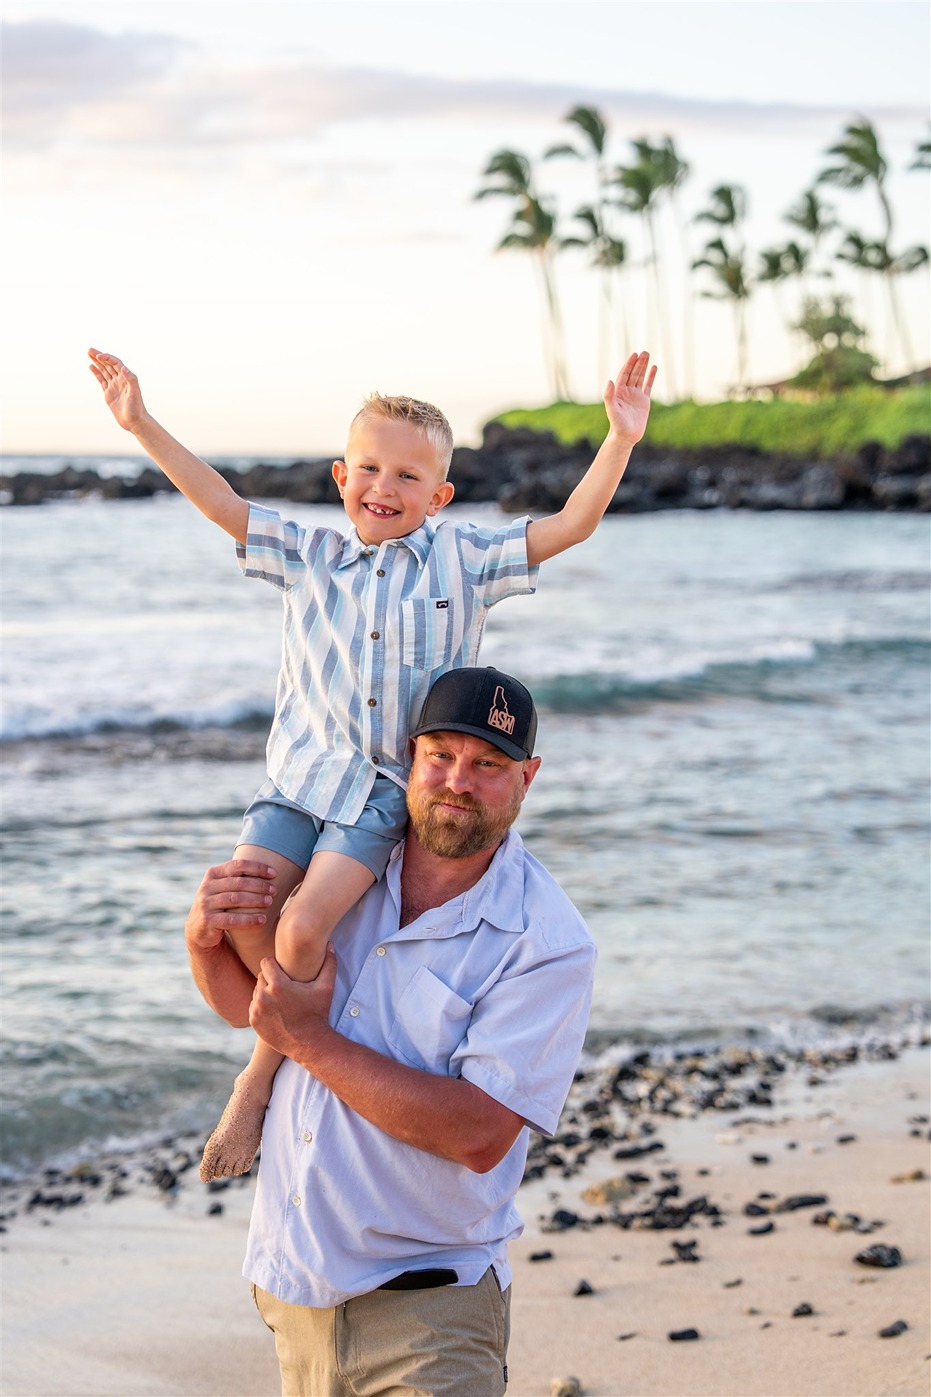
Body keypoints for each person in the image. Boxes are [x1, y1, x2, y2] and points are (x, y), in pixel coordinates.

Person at [88, 346, 655, 1184]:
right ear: (340, 474)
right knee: (241, 911)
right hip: (293, 782)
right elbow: (220, 500)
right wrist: (138, 422)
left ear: (440, 495)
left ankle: (261, 1075)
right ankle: (309, 1039)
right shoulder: (308, 553)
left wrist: (620, 441)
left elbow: (570, 525)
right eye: (368, 468)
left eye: (406, 476)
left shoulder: (463, 563)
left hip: (376, 797)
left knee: (303, 929)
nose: (383, 487)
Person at [184, 666, 596, 1397]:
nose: (457, 781)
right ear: (409, 756)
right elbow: (253, 1007)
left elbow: (477, 1133)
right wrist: (202, 935)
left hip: (431, 1312)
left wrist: (312, 1040)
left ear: (527, 777)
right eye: (440, 755)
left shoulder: (546, 940)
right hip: (294, 1291)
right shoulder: (335, 875)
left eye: (489, 765)